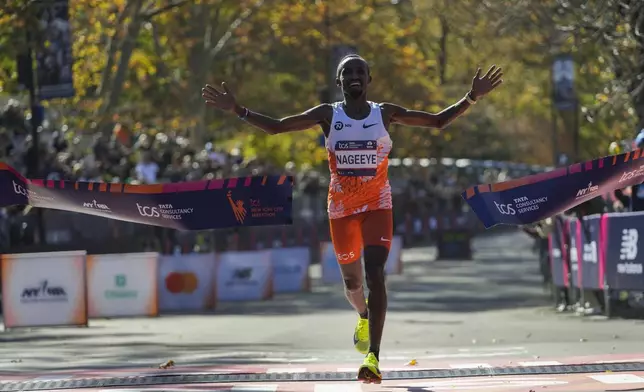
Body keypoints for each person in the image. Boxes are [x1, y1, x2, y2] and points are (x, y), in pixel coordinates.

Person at [201, 55, 503, 383]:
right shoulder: (327, 115)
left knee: (375, 273)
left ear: (369, 79)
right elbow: (277, 127)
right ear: (339, 82)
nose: (354, 76)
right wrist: (238, 110)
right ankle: (362, 313)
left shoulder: (384, 113)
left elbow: (436, 122)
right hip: (341, 209)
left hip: (378, 205)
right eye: (348, 72)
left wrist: (471, 97)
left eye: (360, 71)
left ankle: (373, 356)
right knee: (352, 283)